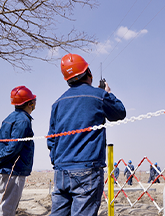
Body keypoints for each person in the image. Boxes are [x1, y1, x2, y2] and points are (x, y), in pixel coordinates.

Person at [47, 53, 126, 216]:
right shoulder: (99, 96)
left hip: (62, 170)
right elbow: (120, 113)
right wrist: (107, 93)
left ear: (68, 79)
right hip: (87, 169)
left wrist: (58, 162)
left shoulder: (57, 103)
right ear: (88, 72)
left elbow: (51, 140)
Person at [0, 86, 36, 216]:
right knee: (6, 210)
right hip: (13, 171)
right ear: (29, 103)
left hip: (3, 171)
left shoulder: (10, 118)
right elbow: (13, 148)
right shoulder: (23, 121)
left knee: (0, 208)